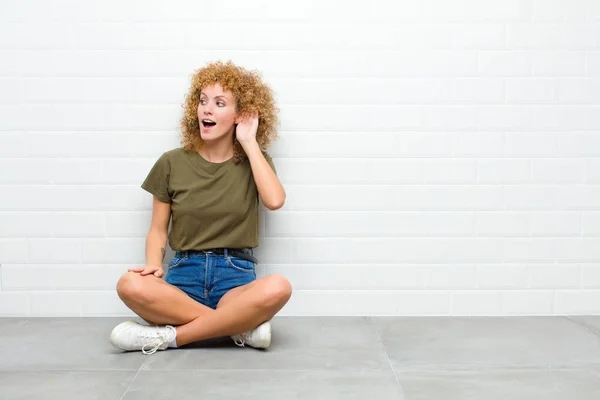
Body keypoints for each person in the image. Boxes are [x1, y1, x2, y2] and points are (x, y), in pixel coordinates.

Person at [109, 61, 292, 355]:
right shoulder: (171, 162)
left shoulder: (255, 162)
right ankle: (237, 328)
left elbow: (274, 200)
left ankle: (168, 338)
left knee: (279, 287)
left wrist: (248, 141)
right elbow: (157, 229)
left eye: (220, 103)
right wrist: (153, 264)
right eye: (203, 101)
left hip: (235, 280)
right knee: (129, 285)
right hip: (182, 279)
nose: (207, 109)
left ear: (239, 115)